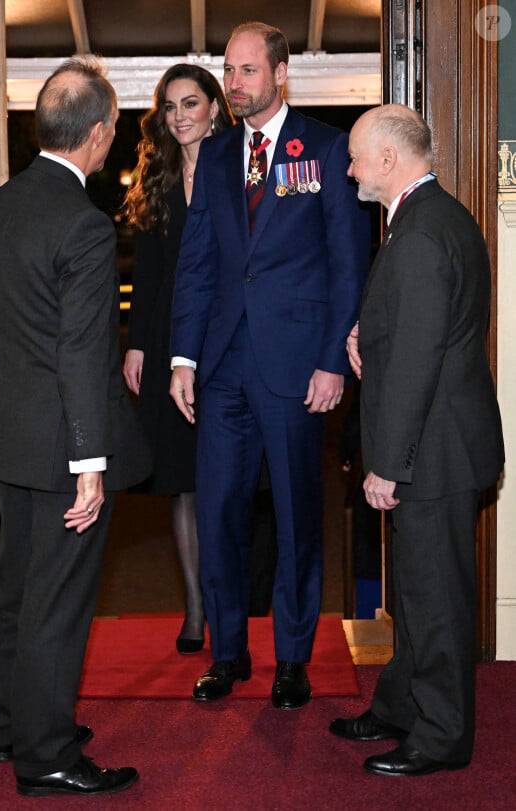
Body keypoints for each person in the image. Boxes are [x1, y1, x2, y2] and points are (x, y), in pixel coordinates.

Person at [169, 22, 370, 709]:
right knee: (220, 511)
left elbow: (348, 264)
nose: (234, 84)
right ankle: (227, 654)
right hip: (221, 368)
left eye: (248, 70)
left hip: (295, 369)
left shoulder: (324, 147)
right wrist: (183, 356)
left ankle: (292, 658)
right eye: (229, 70)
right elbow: (197, 265)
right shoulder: (220, 155)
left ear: (280, 73)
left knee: (295, 516)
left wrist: (331, 360)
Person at [0, 57, 151, 797]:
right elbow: (83, 351)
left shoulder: (3, 203)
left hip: (9, 431)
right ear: (101, 134)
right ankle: (45, 755)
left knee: (16, 588)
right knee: (55, 601)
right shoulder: (82, 224)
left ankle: (14, 722)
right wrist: (91, 462)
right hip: (60, 446)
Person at [329, 104, 504, 776]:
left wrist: (387, 466)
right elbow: (410, 332)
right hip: (438, 445)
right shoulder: (430, 219)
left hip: (434, 451)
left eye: (354, 157)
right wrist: (362, 337)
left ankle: (441, 734)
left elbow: (420, 360)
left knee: (435, 600)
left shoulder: (425, 232)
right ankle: (400, 706)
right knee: (413, 593)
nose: (348, 170)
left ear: (388, 159)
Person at [122, 64, 234, 654]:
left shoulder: (243, 165)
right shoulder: (160, 174)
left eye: (191, 103)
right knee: (184, 483)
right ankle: (195, 608)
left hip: (229, 339)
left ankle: (228, 606)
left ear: (215, 106)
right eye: (170, 106)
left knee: (226, 479)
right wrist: (139, 344)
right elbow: (149, 271)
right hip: (169, 343)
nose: (180, 115)